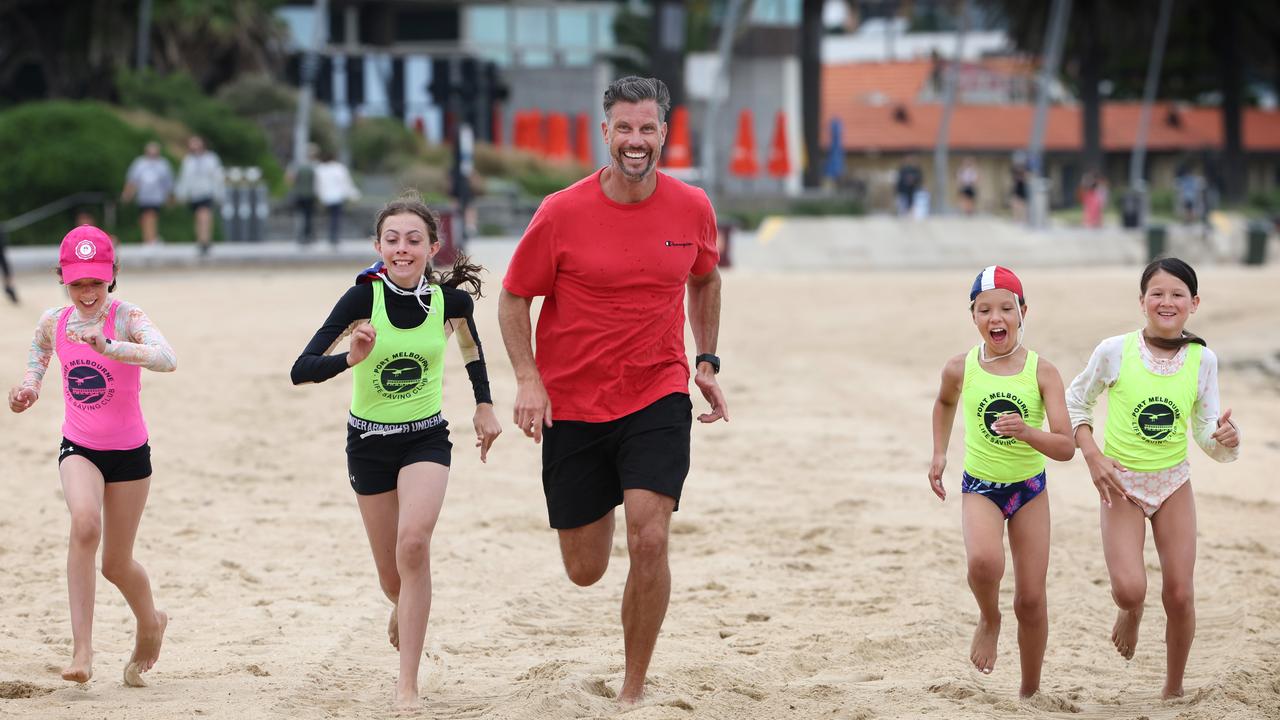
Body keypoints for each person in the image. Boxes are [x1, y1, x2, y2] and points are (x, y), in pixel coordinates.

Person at [498, 76, 728, 704]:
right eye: (623, 128)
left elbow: (705, 279)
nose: (635, 140)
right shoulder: (560, 212)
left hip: (657, 391)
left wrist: (704, 359)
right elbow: (515, 296)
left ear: (664, 134)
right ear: (605, 133)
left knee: (651, 537)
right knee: (586, 568)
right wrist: (528, 379)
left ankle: (632, 687)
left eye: (647, 128)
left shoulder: (692, 206)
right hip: (573, 404)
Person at [290, 192, 501, 710]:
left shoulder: (451, 303)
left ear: (433, 246)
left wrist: (484, 406)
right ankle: (403, 605)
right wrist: (350, 357)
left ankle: (406, 685)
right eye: (392, 240)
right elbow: (302, 368)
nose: (402, 249)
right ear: (377, 246)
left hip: (426, 438)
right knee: (393, 578)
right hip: (367, 445)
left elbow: (474, 354)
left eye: (413, 240)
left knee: (414, 545)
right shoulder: (362, 299)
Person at [7, 225, 175, 686]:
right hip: (79, 447)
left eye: (95, 283)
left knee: (116, 563)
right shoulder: (53, 321)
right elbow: (40, 352)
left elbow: (167, 357)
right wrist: (29, 387)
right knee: (84, 523)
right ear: (62, 277)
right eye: (77, 282)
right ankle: (83, 650)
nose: (86, 293)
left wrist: (113, 347)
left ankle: (150, 621)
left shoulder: (125, 317)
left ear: (112, 276)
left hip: (130, 454)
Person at [1066, 257, 1240, 699]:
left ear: (1194, 303)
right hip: (1120, 485)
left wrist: (1225, 438)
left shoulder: (1203, 359)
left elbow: (1204, 431)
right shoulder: (1113, 351)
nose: (1167, 302)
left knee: (1180, 594)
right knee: (1129, 589)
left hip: (1173, 484)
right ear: (1142, 301)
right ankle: (1131, 610)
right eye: (1157, 293)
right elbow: (1075, 404)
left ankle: (1174, 688)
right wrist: (1093, 456)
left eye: (1177, 294)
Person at [928, 265, 1074, 698]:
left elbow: (1066, 447)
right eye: (985, 310)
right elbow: (943, 403)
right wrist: (939, 452)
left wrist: (1027, 431)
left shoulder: (1042, 372)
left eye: (1006, 309)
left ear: (1023, 311)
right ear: (973, 317)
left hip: (1029, 491)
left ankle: (1030, 692)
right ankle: (988, 617)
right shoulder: (961, 368)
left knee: (1031, 599)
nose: (997, 318)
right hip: (981, 488)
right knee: (984, 565)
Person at [174, 136, 224, 257]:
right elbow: (184, 178)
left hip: (207, 192)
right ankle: (202, 240)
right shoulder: (188, 160)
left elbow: (217, 176)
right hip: (194, 194)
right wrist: (181, 194)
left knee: (204, 215)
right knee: (199, 217)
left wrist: (219, 192)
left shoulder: (211, 159)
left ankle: (205, 241)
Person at [121, 141, 174, 246]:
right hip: (143, 197)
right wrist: (127, 194)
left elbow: (168, 183)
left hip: (157, 197)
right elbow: (132, 180)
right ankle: (149, 238)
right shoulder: (139, 163)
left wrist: (169, 197)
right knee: (144, 218)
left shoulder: (163, 164)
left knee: (151, 215)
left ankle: (151, 239)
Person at [314, 152, 360, 248]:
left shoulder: (320, 169)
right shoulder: (339, 168)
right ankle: (334, 237)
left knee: (330, 217)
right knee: (335, 217)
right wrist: (353, 195)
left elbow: (318, 185)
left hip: (326, 197)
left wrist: (319, 196)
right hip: (337, 197)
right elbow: (345, 183)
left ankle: (331, 236)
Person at [287, 143, 319, 245]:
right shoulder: (315, 165)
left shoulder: (296, 164)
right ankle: (307, 236)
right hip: (309, 195)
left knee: (302, 216)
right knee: (308, 216)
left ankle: (303, 236)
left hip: (300, 194)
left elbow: (290, 179)